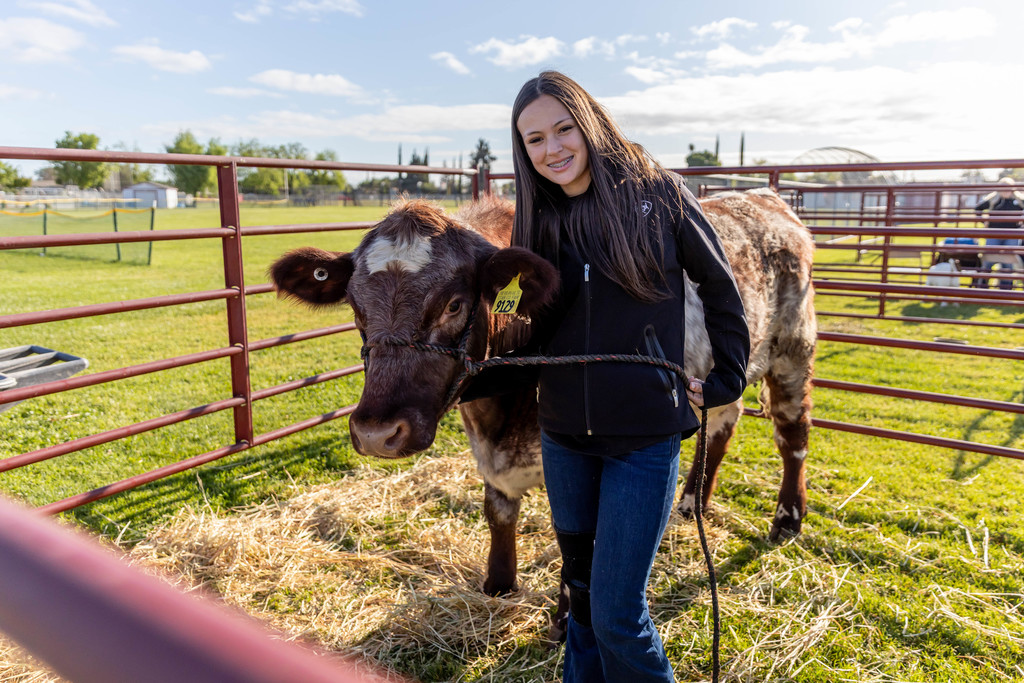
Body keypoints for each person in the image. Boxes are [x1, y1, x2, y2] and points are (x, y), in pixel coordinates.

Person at [509, 70, 749, 682]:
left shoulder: (657, 194)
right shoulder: (538, 217)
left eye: (564, 129)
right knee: (582, 599)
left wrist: (728, 378)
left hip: (643, 437)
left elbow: (720, 288)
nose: (552, 149)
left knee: (617, 611)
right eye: (534, 140)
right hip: (564, 434)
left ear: (590, 124)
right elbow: (527, 319)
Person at [974, 176, 1023, 290]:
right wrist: (984, 222)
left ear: (1013, 189)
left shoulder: (1019, 200)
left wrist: (1021, 225)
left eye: (1008, 188)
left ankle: (1005, 288)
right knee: (989, 260)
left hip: (1012, 235)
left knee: (1007, 262)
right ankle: (983, 287)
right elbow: (978, 208)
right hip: (994, 234)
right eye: (1003, 188)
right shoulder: (993, 200)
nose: (1006, 191)